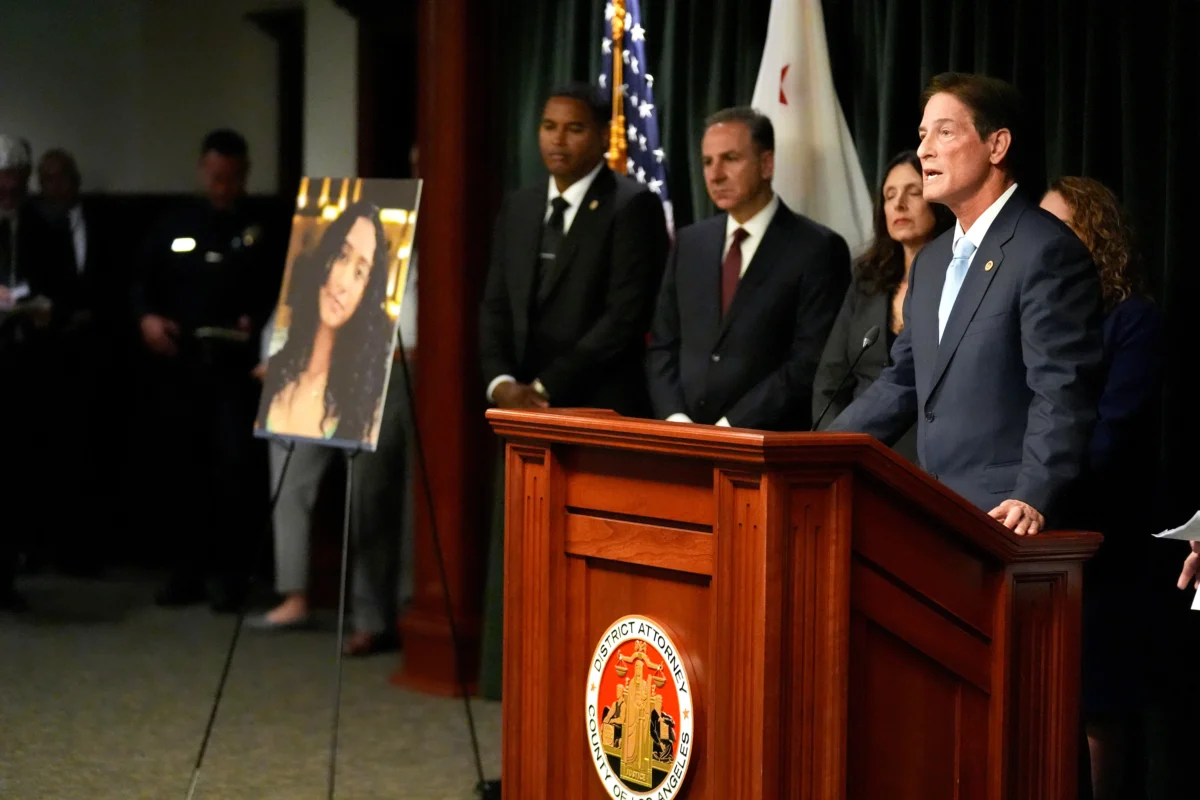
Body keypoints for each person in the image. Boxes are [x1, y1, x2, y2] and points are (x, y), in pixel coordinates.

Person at [828, 73, 1105, 534]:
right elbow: (902, 382)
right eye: (921, 135)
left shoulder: (1044, 249)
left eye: (945, 132)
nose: (924, 150)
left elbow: (1061, 390)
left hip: (1006, 521)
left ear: (997, 147)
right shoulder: (933, 261)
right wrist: (813, 453)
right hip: (931, 510)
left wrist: (1033, 494)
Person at [1039, 175, 1165, 800]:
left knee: (1098, 705)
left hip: (1103, 541)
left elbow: (1115, 434)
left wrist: (1042, 485)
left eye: (1056, 227)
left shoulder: (1133, 320)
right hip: (1038, 541)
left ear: (1094, 235)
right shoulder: (1044, 320)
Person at [249, 196, 414, 657]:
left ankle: (374, 615)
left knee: (368, 498)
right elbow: (282, 326)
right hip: (302, 379)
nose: (346, 277)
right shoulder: (301, 294)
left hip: (379, 375)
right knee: (288, 474)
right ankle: (293, 593)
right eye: (341, 257)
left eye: (362, 269)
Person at [131, 128, 282, 611]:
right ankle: (184, 574)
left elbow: (278, 293)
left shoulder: (262, 228)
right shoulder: (175, 223)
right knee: (182, 469)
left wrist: (256, 320)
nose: (223, 187)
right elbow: (142, 280)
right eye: (216, 177)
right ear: (203, 170)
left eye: (233, 178)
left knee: (234, 473)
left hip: (237, 371)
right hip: (183, 366)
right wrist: (147, 318)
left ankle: (231, 578)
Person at [647, 107, 850, 430]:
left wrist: (729, 427)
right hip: (682, 438)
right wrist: (676, 419)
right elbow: (663, 345)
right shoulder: (690, 243)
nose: (715, 174)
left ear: (766, 164)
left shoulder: (817, 249)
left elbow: (809, 361)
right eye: (708, 162)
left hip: (765, 444)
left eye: (730, 158)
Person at [479, 82, 670, 417]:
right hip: (518, 409)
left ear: (602, 135)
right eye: (549, 126)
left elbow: (625, 317)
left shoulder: (633, 206)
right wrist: (501, 382)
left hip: (597, 406)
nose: (558, 139)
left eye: (574, 129)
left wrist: (542, 388)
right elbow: (496, 304)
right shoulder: (520, 205)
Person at [812, 150, 953, 457]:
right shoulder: (866, 281)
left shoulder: (960, 277)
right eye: (890, 196)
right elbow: (830, 378)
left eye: (913, 192)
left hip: (930, 456)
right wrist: (828, 451)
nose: (898, 204)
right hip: (858, 451)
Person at [0, 133, 74, 611]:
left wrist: (47, 309)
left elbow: (65, 286)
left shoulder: (47, 226)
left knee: (16, 473)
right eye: (2, 180)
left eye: (15, 180)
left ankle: (6, 577)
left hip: (28, 365)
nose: (9, 189)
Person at [258, 201, 393, 443]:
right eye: (342, 256)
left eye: (360, 272)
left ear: (367, 293)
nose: (342, 283)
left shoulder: (361, 398)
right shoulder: (280, 365)